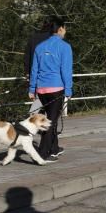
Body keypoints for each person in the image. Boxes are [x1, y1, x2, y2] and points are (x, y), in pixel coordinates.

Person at [28, 17, 73, 162]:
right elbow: (66, 70)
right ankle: (42, 154)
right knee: (50, 122)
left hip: (41, 90)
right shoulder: (65, 47)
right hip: (56, 88)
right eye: (64, 28)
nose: (65, 31)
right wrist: (69, 90)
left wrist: (32, 88)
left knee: (50, 118)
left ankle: (54, 149)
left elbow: (34, 69)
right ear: (60, 29)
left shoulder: (40, 47)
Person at [24, 18, 55, 115]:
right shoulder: (52, 39)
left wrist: (27, 73)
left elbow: (27, 57)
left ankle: (40, 124)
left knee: (39, 98)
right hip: (48, 74)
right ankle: (32, 120)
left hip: (33, 74)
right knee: (47, 101)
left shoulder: (33, 38)